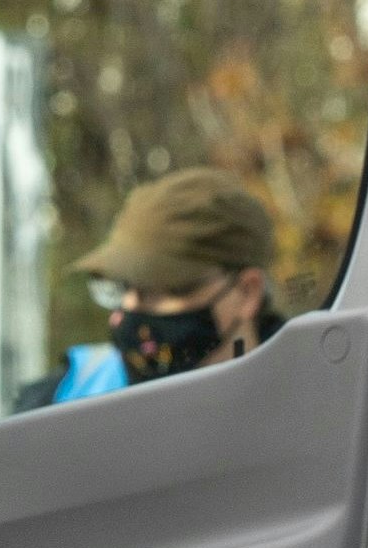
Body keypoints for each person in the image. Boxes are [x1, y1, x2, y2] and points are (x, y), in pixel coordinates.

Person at [21, 167, 289, 407]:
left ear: (247, 292)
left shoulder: (309, 399)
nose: (131, 307)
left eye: (166, 287)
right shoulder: (65, 397)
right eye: (123, 286)